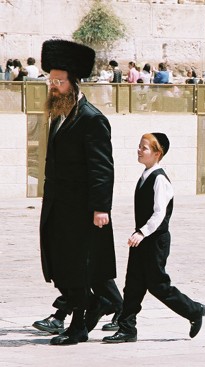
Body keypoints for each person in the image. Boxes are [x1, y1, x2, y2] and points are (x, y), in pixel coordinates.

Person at [39, 39, 121, 345]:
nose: (54, 86)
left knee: (79, 269)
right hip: (58, 208)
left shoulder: (92, 119)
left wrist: (101, 208)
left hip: (82, 210)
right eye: (51, 81)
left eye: (59, 81)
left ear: (74, 83)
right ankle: (97, 306)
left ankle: (77, 327)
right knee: (59, 266)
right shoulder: (59, 116)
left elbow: (102, 168)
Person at [103, 132, 205, 343]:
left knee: (158, 285)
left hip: (154, 240)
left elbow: (159, 213)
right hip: (142, 240)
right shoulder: (145, 175)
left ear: (158, 153)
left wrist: (142, 232)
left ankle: (194, 310)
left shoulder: (160, 179)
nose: (139, 150)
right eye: (139, 146)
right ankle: (127, 328)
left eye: (145, 148)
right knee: (133, 285)